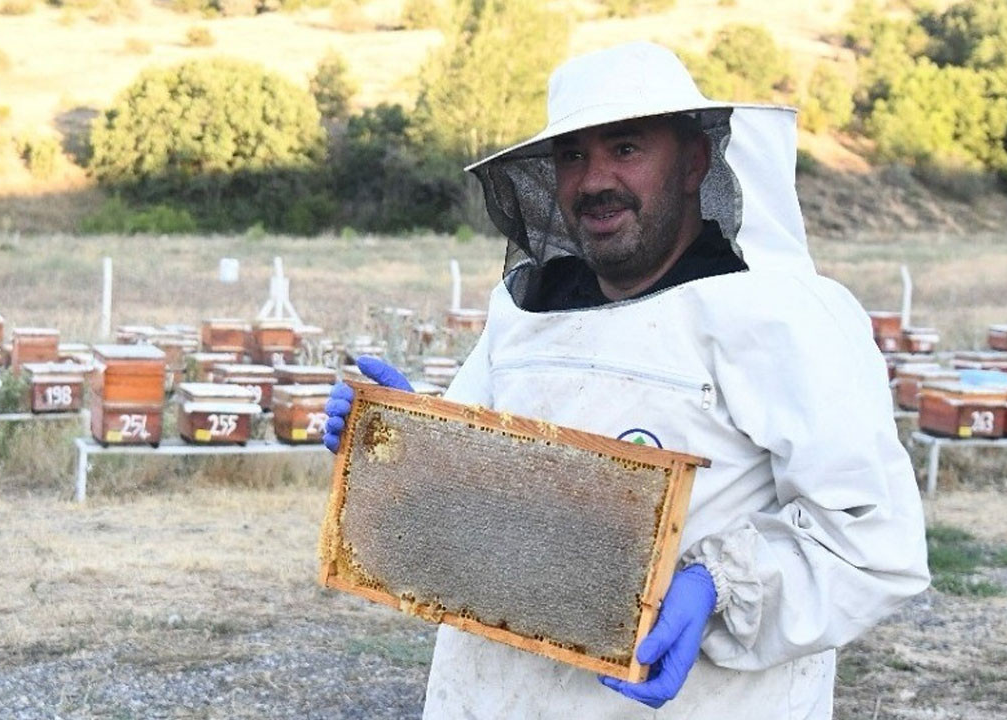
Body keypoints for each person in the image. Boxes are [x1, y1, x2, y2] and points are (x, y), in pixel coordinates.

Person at [323, 41, 929, 719]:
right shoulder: (525, 310)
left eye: (626, 148)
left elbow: (875, 544)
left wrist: (717, 584)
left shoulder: (783, 316)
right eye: (573, 155)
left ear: (695, 161)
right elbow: (468, 506)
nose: (594, 179)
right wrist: (406, 439)